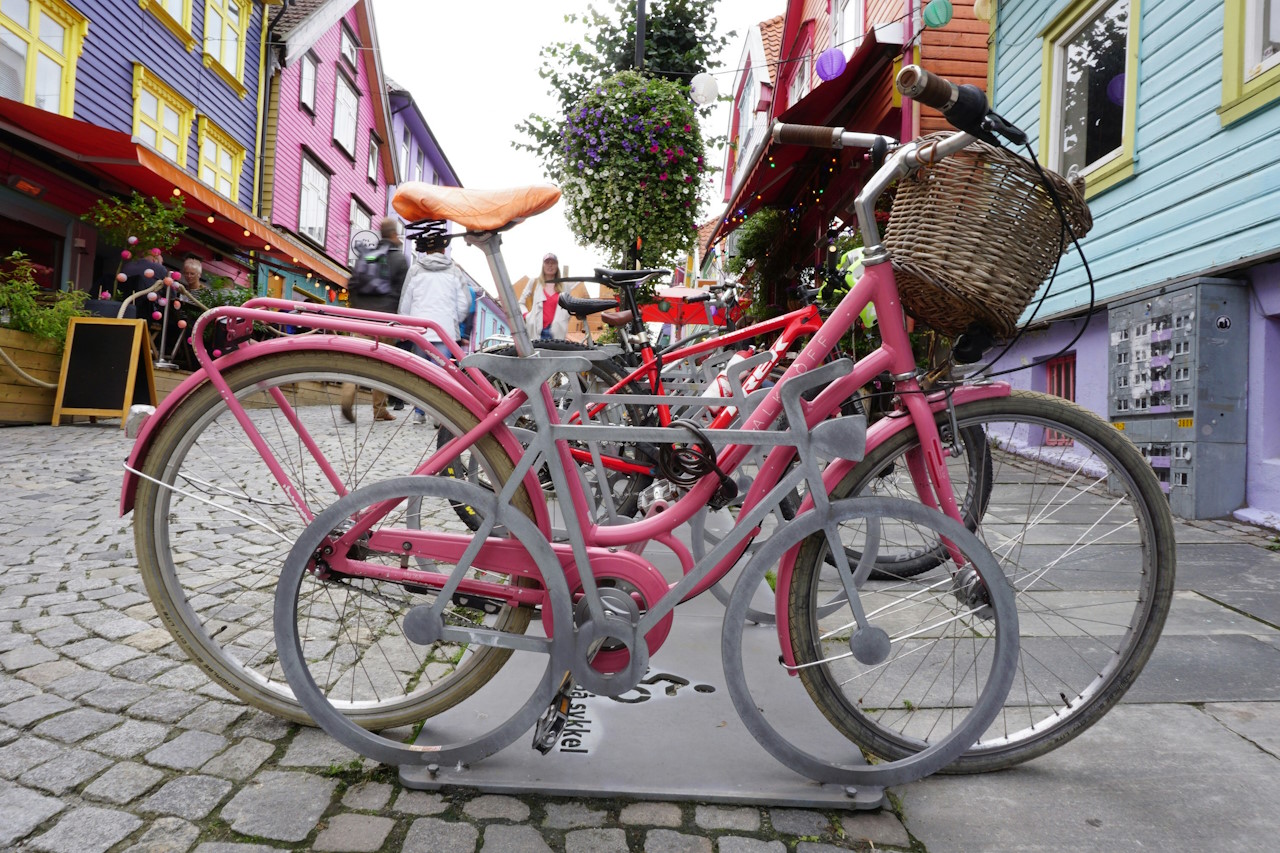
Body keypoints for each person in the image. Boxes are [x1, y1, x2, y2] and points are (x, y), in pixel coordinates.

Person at [397, 230, 477, 426]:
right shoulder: (454, 271)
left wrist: (405, 325)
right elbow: (465, 303)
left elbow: (405, 302)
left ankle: (419, 413)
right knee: (441, 374)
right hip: (444, 331)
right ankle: (438, 415)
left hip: (420, 331)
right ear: (443, 249)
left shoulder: (415, 270)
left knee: (421, 374)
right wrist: (454, 319)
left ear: (426, 250)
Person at [341, 218, 409, 422]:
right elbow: (403, 293)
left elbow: (352, 285)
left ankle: (347, 394)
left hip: (362, 317)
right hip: (385, 319)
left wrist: (356, 310)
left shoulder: (367, 255)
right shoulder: (400, 259)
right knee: (382, 364)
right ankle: (379, 410)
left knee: (357, 359)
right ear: (394, 234)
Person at [520, 252, 569, 341]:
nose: (550, 265)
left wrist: (563, 321)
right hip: (537, 331)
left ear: (557, 266)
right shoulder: (534, 283)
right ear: (543, 265)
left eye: (553, 263)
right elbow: (521, 303)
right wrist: (527, 316)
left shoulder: (564, 286)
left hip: (557, 333)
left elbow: (569, 308)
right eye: (547, 263)